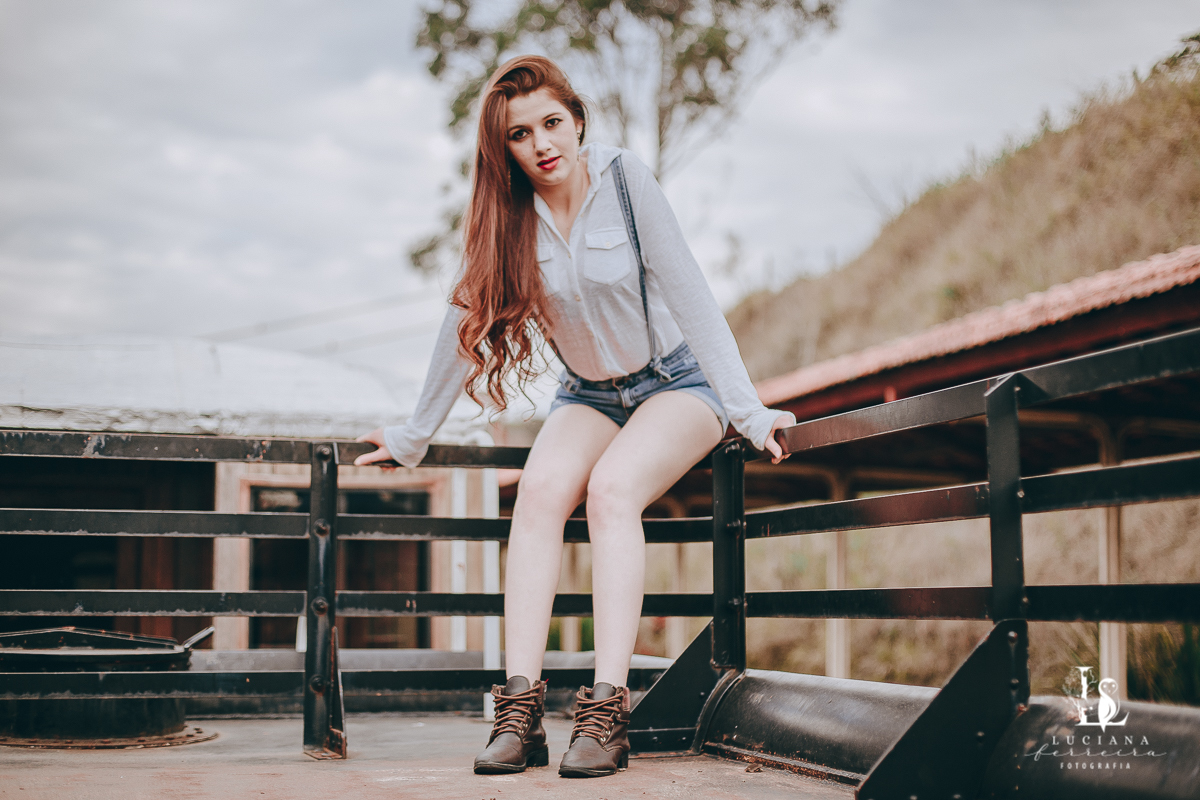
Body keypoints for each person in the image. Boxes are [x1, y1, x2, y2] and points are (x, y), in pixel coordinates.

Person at [354, 54, 793, 779]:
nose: (541, 143)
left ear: (577, 121)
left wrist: (746, 410)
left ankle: (606, 712)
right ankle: (519, 714)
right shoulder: (508, 220)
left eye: (551, 123)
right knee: (537, 493)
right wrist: (412, 436)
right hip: (588, 393)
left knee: (612, 491)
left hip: (678, 383)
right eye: (520, 134)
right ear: (505, 150)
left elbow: (692, 296)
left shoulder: (625, 182)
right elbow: (459, 325)